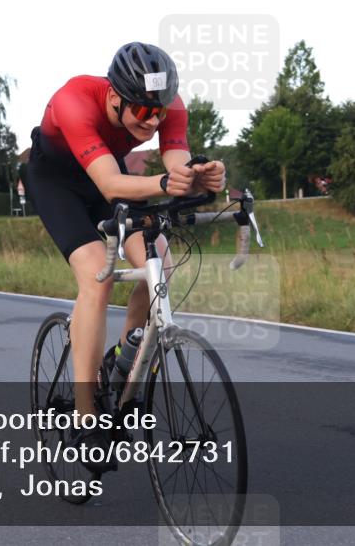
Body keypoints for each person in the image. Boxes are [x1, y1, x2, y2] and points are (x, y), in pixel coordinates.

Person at [25, 43, 226, 472]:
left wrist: (200, 176)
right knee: (97, 276)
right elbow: (112, 184)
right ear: (115, 97)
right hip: (60, 182)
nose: (153, 121)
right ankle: (85, 418)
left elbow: (176, 159)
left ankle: (123, 359)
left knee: (161, 262)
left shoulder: (165, 105)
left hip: (109, 175)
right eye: (143, 113)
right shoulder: (75, 101)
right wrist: (166, 181)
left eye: (159, 112)